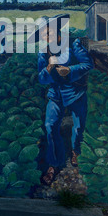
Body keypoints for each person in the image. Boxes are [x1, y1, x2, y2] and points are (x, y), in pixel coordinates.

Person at [37, 15, 93, 185]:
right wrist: (48, 69)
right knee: (50, 125)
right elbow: (41, 78)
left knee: (78, 126)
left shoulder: (73, 44)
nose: (47, 37)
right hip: (55, 93)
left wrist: (70, 70)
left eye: (50, 33)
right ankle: (54, 163)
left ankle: (76, 151)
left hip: (75, 91)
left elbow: (88, 64)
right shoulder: (43, 52)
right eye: (44, 35)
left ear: (57, 31)